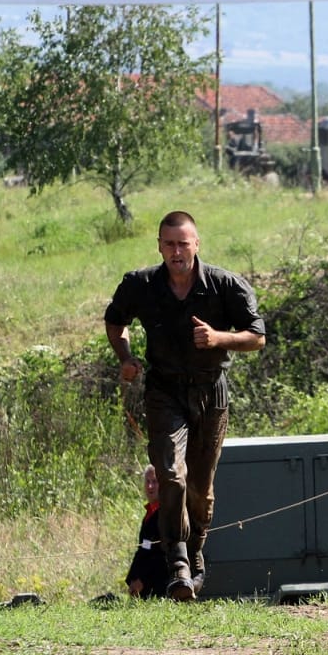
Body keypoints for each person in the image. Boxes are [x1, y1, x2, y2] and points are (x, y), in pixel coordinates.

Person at [104, 210, 265, 601]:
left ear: (196, 244)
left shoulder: (225, 285)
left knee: (199, 488)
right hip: (164, 391)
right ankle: (177, 562)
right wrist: (125, 357)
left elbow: (257, 336)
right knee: (171, 475)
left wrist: (218, 339)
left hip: (211, 393)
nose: (176, 252)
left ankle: (194, 555)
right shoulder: (140, 284)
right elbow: (115, 321)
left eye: (183, 243)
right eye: (169, 244)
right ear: (159, 246)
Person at [124, 464, 172, 598]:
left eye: (155, 482)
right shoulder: (150, 513)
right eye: (148, 481)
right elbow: (144, 549)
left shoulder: (165, 514)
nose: (150, 486)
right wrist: (132, 578)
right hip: (144, 585)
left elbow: (160, 554)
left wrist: (142, 580)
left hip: (160, 586)